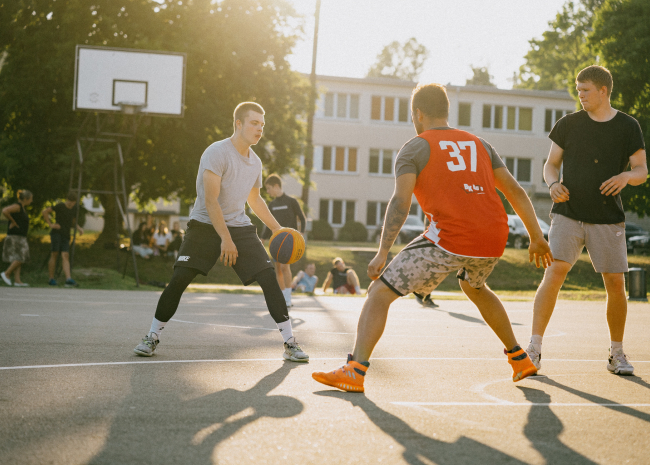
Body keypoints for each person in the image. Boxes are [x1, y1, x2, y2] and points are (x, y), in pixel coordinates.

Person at [313, 83, 553, 392]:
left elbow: (401, 203)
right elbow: (514, 191)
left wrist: (382, 253)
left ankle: (355, 370)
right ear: (446, 111)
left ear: (418, 114)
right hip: (493, 237)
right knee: (475, 287)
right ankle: (520, 358)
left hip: (451, 238)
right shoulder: (479, 144)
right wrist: (536, 236)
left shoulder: (414, 147)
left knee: (379, 293)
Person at [133, 102, 309, 362]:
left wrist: (277, 229)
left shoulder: (256, 162)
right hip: (204, 225)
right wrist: (225, 239)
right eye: (254, 123)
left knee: (269, 277)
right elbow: (210, 200)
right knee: (180, 278)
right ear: (238, 123)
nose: (260, 129)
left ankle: (290, 342)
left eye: (262, 125)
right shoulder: (216, 152)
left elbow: (255, 199)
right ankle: (152, 336)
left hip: (239, 226)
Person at [526, 65, 647, 376]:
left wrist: (625, 176)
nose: (579, 95)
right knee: (554, 274)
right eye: (577, 90)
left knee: (616, 284)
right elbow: (550, 166)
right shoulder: (568, 124)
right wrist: (553, 185)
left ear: (603, 91)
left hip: (607, 217)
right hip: (568, 213)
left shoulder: (627, 126)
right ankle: (534, 348)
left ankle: (616, 353)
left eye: (585, 90)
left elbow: (641, 171)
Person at [262, 173, 306, 308]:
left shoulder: (291, 201)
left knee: (285, 267)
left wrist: (301, 234)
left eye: (269, 188)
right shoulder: (272, 204)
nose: (268, 192)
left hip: (290, 241)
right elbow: (268, 224)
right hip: (276, 241)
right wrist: (263, 238)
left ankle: (288, 298)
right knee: (278, 269)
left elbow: (302, 218)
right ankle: (282, 297)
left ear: (276, 186)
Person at [42, 192, 84, 287]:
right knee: (55, 253)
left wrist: (79, 228)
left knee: (65, 255)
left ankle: (68, 279)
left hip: (66, 234)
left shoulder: (74, 208)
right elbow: (45, 212)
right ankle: (51, 279)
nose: (70, 204)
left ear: (75, 202)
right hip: (56, 233)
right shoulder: (60, 206)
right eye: (69, 201)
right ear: (66, 199)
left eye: (72, 202)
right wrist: (51, 224)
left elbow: (73, 220)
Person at [1, 190, 33, 287]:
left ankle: (17, 280)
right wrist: (13, 222)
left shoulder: (21, 207)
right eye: (31, 199)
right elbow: (5, 211)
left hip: (20, 236)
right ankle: (6, 273)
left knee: (18, 257)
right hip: (16, 236)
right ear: (26, 199)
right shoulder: (17, 206)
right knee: (22, 257)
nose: (31, 201)